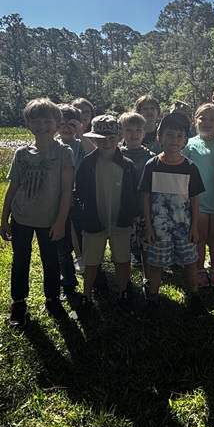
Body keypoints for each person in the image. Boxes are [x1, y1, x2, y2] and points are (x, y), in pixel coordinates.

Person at [0, 98, 75, 328]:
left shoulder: (64, 152)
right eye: (36, 121)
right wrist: (4, 218)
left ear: (57, 123)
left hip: (50, 221)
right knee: (20, 260)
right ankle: (19, 303)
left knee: (50, 261)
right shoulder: (21, 154)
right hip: (21, 217)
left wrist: (61, 221)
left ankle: (52, 299)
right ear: (28, 124)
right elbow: (13, 186)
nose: (42, 125)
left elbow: (66, 191)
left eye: (47, 120)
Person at [139, 112, 206, 315]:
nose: (174, 140)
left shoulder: (190, 167)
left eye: (179, 136)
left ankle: (194, 295)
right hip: (159, 229)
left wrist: (194, 226)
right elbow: (146, 197)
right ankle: (152, 298)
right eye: (169, 135)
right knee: (156, 264)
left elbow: (194, 199)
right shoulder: (152, 166)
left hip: (184, 228)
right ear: (160, 138)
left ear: (185, 140)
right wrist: (149, 227)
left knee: (190, 262)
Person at [75, 115, 141, 315]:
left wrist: (134, 217)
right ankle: (86, 296)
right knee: (92, 261)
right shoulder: (87, 164)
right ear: (93, 139)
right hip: (94, 220)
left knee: (122, 259)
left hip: (120, 221)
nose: (107, 143)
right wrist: (83, 216)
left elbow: (134, 194)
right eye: (101, 139)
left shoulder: (128, 165)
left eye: (111, 139)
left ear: (119, 138)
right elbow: (79, 194)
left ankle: (124, 292)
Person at [182, 104, 214, 287]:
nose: (207, 123)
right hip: (198, 202)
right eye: (202, 118)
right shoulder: (188, 145)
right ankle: (200, 269)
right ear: (195, 121)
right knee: (200, 237)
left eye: (212, 119)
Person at [119, 110, 156, 272]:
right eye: (128, 130)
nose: (134, 134)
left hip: (144, 211)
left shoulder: (151, 157)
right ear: (121, 132)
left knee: (146, 247)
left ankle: (147, 279)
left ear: (144, 132)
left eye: (138, 130)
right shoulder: (115, 155)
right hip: (123, 211)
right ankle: (125, 281)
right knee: (123, 249)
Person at [55, 104, 85, 300]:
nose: (66, 128)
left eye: (71, 124)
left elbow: (95, 153)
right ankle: (68, 282)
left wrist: (81, 133)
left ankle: (94, 277)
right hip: (57, 201)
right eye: (62, 123)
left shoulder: (82, 144)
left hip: (81, 199)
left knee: (85, 241)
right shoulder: (52, 145)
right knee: (61, 245)